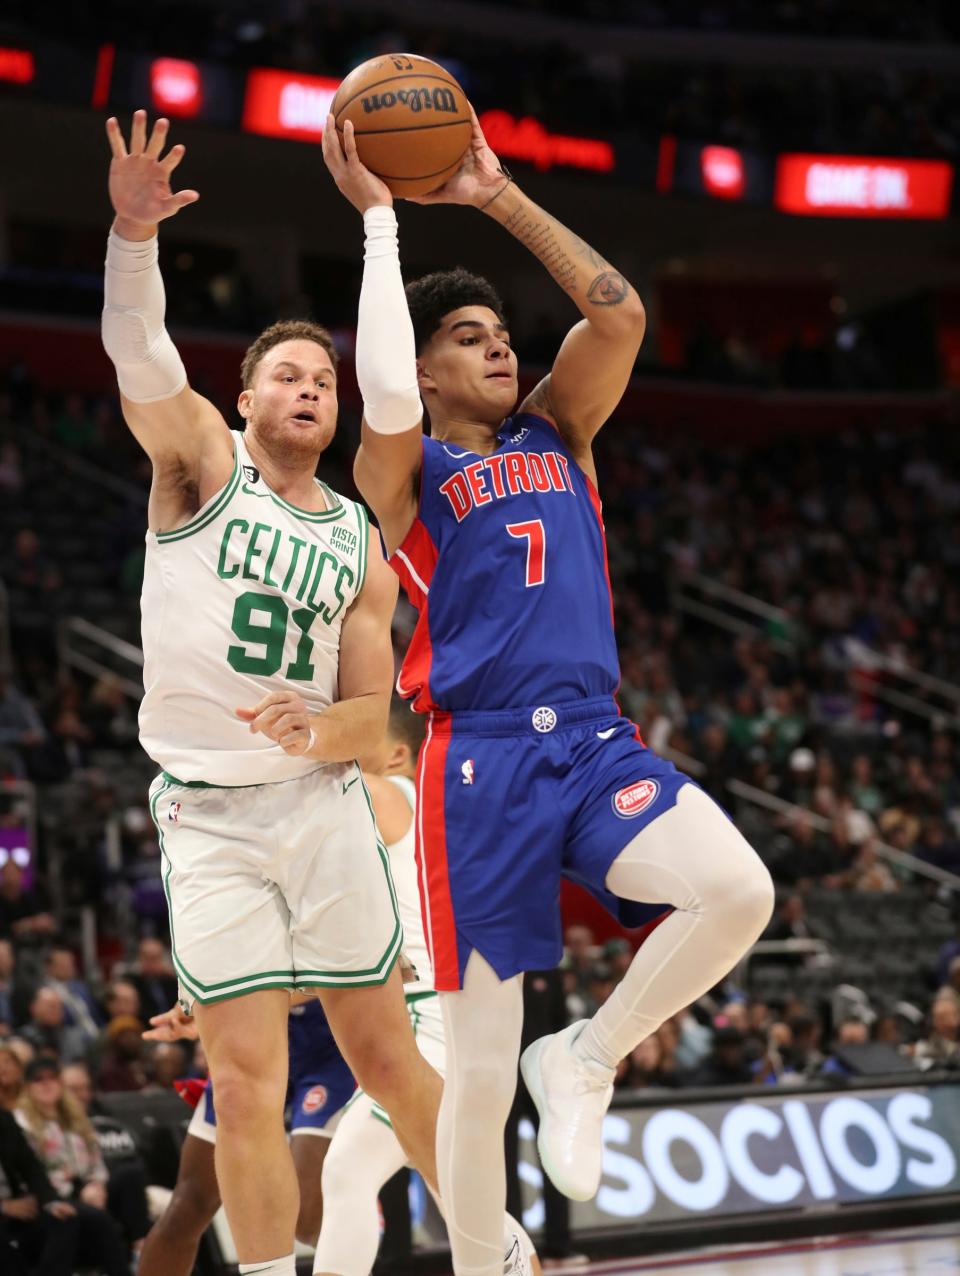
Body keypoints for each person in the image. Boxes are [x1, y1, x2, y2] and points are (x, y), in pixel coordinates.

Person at [323, 106, 774, 1276]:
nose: (498, 347)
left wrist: (496, 196)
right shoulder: (408, 467)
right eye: (467, 337)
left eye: (499, 332)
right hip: (475, 762)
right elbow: (376, 381)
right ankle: (488, 1264)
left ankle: (589, 1052)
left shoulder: (561, 428)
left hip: (591, 741)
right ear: (424, 368)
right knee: (474, 1065)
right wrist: (380, 227)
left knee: (736, 890)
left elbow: (618, 310)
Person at [101, 108, 440, 1276]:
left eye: (323, 379)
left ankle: (497, 1249)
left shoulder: (355, 535)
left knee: (388, 1056)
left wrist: (334, 727)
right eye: (285, 374)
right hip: (208, 812)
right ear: (243, 400)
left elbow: (379, 724)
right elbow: (141, 357)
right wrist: (132, 238)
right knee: (241, 1084)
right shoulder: (200, 461)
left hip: (318, 805)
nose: (309, 387)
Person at [314, 700, 536, 1276]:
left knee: (368, 1175)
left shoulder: (391, 793)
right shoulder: (424, 817)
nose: (345, 751)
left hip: (424, 1017)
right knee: (435, 1187)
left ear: (397, 754)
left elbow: (313, 777)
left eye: (359, 740)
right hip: (436, 1010)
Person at [15, 1057, 129, 1276]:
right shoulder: (21, 1124)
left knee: (130, 1175)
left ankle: (140, 1247)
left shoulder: (75, 1117)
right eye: (38, 1080)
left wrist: (96, 1185)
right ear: (27, 1087)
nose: (47, 1084)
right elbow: (29, 1172)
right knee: (96, 1219)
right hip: (47, 1196)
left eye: (52, 1078)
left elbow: (95, 1161)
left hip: (83, 1189)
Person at [0, 1102, 77, 1276]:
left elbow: (30, 1166)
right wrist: (4, 1207)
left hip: (16, 1208)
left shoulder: (3, 1118)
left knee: (63, 1219)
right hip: (6, 1208)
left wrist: (51, 1201)